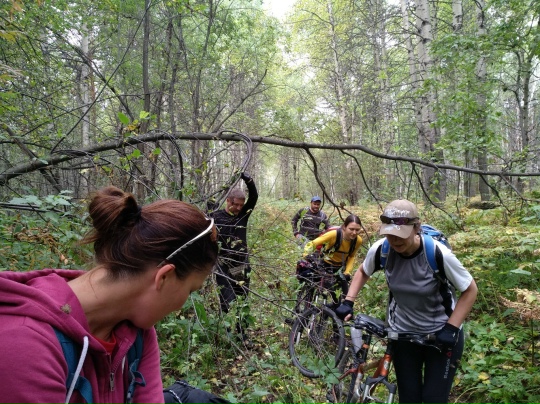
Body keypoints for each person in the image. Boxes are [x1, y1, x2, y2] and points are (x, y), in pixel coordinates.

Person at [0, 186, 219, 404]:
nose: (182, 303)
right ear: (164, 277)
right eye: (190, 290)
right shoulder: (24, 347)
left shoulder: (135, 335)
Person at [335, 199, 478, 404]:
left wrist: (451, 328)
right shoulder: (382, 250)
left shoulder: (437, 254)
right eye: (389, 234)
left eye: (401, 234)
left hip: (440, 335)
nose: (395, 240)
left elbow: (470, 290)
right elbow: (363, 271)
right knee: (409, 399)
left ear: (416, 228)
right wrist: (349, 301)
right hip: (403, 335)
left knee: (433, 400)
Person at [211, 172, 258, 346]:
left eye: (241, 205)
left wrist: (248, 179)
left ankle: (243, 335)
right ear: (228, 201)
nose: (238, 208)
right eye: (235, 204)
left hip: (240, 265)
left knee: (242, 300)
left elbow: (254, 196)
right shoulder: (215, 216)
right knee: (227, 300)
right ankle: (227, 334)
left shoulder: (243, 215)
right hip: (223, 265)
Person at [302, 214, 362, 302]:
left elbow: (351, 256)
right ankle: (307, 304)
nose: (354, 233)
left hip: (340, 267)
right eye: (351, 229)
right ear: (344, 227)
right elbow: (312, 243)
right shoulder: (334, 235)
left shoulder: (358, 240)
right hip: (325, 264)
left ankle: (333, 308)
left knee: (346, 297)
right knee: (316, 283)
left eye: (357, 230)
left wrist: (347, 272)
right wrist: (306, 254)